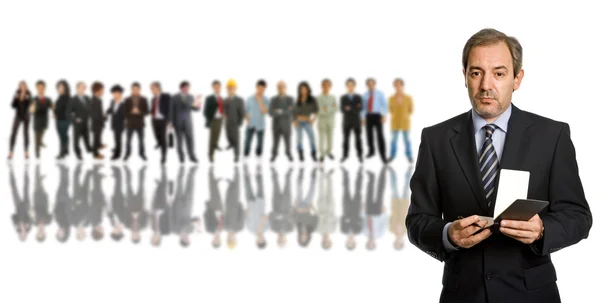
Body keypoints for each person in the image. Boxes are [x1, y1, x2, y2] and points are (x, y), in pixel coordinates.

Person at [406, 28, 592, 303]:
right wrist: (448, 235)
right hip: (463, 295)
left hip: (532, 295)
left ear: (517, 79)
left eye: (499, 73)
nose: (486, 85)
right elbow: (417, 221)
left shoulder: (552, 136)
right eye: (476, 72)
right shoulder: (435, 139)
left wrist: (542, 230)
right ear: (465, 76)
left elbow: (578, 217)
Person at [169, 81, 201, 164]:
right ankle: (181, 157)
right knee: (179, 141)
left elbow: (195, 109)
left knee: (190, 140)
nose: (187, 89)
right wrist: (170, 122)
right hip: (177, 122)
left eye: (188, 87)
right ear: (181, 88)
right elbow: (171, 110)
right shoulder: (174, 97)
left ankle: (192, 156)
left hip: (188, 122)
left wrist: (198, 105)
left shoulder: (191, 97)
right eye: (185, 87)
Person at [362, 78, 388, 164]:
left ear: (374, 84)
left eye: (372, 84)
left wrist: (384, 115)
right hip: (368, 116)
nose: (370, 85)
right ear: (367, 85)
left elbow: (384, 105)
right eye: (368, 84)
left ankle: (383, 155)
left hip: (377, 115)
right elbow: (363, 108)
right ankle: (371, 151)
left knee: (380, 135)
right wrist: (363, 118)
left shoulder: (380, 93)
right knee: (369, 134)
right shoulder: (365, 95)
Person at [388, 78, 414, 163]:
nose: (398, 86)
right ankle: (392, 155)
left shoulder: (408, 97)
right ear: (394, 86)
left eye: (399, 85)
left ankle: (409, 156)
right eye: (396, 85)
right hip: (395, 122)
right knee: (393, 140)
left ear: (402, 86)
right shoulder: (391, 98)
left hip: (405, 122)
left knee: (407, 140)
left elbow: (411, 109)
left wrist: (404, 116)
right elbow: (390, 109)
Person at [268, 80, 294, 162]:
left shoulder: (290, 99)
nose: (281, 88)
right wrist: (284, 111)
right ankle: (274, 154)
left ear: (285, 88)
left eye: (282, 86)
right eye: (279, 87)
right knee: (275, 141)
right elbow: (270, 112)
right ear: (277, 88)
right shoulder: (273, 99)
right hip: (276, 125)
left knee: (288, 141)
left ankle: (288, 153)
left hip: (286, 125)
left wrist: (278, 111)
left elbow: (291, 111)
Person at [244, 165, 269, 249]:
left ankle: (245, 169)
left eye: (259, 241)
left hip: (250, 203)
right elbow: (266, 216)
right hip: (261, 202)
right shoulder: (267, 228)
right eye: (262, 240)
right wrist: (261, 225)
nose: (260, 239)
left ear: (256, 241)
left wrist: (246, 212)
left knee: (247, 185)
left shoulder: (250, 229)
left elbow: (245, 218)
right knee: (260, 184)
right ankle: (258, 170)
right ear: (265, 239)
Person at [293, 81, 319, 162]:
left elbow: (316, 111)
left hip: (307, 122)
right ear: (299, 90)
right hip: (298, 122)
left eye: (305, 89)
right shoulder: (297, 99)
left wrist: (313, 120)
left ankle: (313, 153)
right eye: (301, 89)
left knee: (312, 138)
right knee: (299, 138)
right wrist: (293, 121)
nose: (303, 91)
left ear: (308, 89)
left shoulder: (312, 99)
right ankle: (300, 153)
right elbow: (294, 112)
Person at [123, 82, 149, 161]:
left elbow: (147, 112)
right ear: (131, 90)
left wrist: (139, 112)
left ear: (139, 90)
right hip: (130, 124)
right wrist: (131, 112)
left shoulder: (144, 99)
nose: (135, 91)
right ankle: (127, 154)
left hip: (140, 124)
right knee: (128, 140)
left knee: (141, 140)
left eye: (137, 89)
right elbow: (124, 112)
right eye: (133, 89)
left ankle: (142, 154)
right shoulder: (127, 99)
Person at [293, 168, 319, 247]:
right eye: (305, 238)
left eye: (301, 238)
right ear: (308, 238)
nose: (303, 236)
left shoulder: (297, 227)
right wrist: (312, 207)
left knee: (299, 188)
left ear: (299, 237)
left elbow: (293, 214)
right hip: (308, 206)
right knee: (312, 189)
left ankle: (301, 172)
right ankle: (313, 173)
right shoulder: (312, 229)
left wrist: (294, 205)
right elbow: (316, 217)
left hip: (298, 205)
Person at [244, 79, 270, 159]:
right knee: (247, 143)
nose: (261, 90)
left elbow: (265, 112)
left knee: (260, 145)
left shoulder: (266, 100)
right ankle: (246, 157)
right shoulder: (249, 98)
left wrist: (259, 101)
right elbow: (245, 111)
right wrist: (246, 117)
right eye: (259, 88)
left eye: (263, 89)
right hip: (250, 124)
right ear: (256, 87)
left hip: (260, 125)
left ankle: (258, 159)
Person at [269, 167, 294, 248]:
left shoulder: (273, 228)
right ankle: (288, 174)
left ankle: (274, 172)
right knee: (288, 185)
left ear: (277, 240)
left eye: (279, 241)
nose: (281, 239)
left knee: (275, 185)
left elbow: (270, 216)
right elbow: (292, 216)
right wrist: (280, 216)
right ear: (285, 240)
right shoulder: (290, 229)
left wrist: (280, 215)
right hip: (287, 204)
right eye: (282, 241)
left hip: (276, 203)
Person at [363, 168, 387, 251]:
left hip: (368, 211)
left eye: (369, 244)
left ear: (367, 243)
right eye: (372, 245)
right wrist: (384, 212)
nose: (370, 243)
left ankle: (371, 177)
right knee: (380, 192)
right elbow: (384, 222)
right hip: (378, 212)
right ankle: (382, 174)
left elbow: (364, 220)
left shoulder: (365, 232)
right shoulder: (380, 234)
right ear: (374, 244)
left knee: (369, 193)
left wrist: (363, 210)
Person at [340, 78, 363, 163]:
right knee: (346, 139)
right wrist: (354, 107)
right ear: (346, 86)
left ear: (354, 86)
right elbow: (342, 109)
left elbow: (360, 109)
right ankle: (345, 155)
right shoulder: (343, 97)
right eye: (348, 85)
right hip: (346, 121)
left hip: (357, 121)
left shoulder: (358, 97)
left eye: (352, 85)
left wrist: (349, 108)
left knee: (358, 139)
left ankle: (360, 155)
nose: (350, 87)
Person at [340, 167, 363, 251]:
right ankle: (360, 172)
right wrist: (350, 219)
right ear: (354, 242)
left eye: (348, 243)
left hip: (346, 207)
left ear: (346, 241)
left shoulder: (343, 230)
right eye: (351, 243)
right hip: (357, 207)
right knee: (358, 189)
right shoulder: (358, 230)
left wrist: (350, 219)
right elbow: (360, 219)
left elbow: (342, 218)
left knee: (345, 189)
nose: (350, 241)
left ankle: (345, 173)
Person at [388, 165, 410, 250]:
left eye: (396, 243)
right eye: (399, 243)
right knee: (406, 187)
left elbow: (390, 217)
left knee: (394, 187)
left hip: (395, 205)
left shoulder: (391, 229)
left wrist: (396, 224)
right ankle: (409, 170)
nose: (398, 241)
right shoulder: (407, 231)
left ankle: (392, 172)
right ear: (402, 242)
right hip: (404, 206)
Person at [223, 79, 245, 163]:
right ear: (227, 89)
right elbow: (224, 110)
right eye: (229, 88)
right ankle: (230, 144)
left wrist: (239, 123)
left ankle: (236, 155)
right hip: (227, 122)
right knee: (228, 135)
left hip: (235, 122)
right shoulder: (225, 100)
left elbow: (242, 113)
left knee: (236, 139)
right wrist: (224, 113)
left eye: (232, 88)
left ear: (235, 89)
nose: (231, 89)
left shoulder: (239, 100)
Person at [9, 81, 32, 160]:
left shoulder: (29, 94)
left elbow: (31, 105)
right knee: (14, 133)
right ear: (19, 87)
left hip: (26, 116)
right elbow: (12, 106)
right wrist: (16, 98)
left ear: (26, 87)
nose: (23, 87)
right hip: (18, 116)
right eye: (21, 86)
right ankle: (11, 152)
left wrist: (26, 99)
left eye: (24, 86)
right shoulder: (17, 93)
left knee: (26, 133)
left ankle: (26, 151)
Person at [30, 80, 53, 159]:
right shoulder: (33, 99)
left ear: (45, 88)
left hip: (45, 121)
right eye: (39, 88)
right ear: (36, 88)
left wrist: (54, 112)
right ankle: (37, 152)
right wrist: (32, 109)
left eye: (42, 88)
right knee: (37, 137)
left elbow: (52, 106)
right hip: (37, 121)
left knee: (43, 132)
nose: (40, 89)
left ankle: (40, 142)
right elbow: (31, 109)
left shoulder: (48, 99)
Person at [70, 82, 93, 160]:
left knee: (87, 138)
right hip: (77, 124)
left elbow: (90, 109)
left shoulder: (87, 98)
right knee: (76, 140)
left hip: (86, 122)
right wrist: (75, 119)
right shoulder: (73, 99)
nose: (83, 89)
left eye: (84, 87)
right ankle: (78, 153)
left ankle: (89, 149)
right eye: (81, 87)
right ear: (77, 88)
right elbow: (68, 112)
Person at [149, 82, 171, 164]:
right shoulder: (153, 99)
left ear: (158, 88)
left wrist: (170, 121)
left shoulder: (166, 96)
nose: (151, 90)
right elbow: (153, 109)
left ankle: (163, 156)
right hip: (154, 120)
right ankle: (159, 143)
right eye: (151, 89)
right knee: (156, 135)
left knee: (163, 138)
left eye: (152, 88)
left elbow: (169, 108)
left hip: (163, 120)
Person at [204, 80, 225, 163]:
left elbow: (222, 109)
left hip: (220, 119)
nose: (218, 88)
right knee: (212, 138)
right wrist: (211, 118)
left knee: (218, 135)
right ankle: (210, 155)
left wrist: (223, 114)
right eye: (216, 86)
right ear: (213, 87)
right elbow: (205, 111)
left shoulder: (221, 98)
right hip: (213, 120)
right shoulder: (209, 98)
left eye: (219, 86)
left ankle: (216, 145)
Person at [9, 164, 31, 241]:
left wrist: (18, 223)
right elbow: (30, 217)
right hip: (26, 206)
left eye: (21, 236)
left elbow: (12, 216)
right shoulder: (28, 228)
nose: (22, 234)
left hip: (17, 207)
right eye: (24, 236)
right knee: (26, 187)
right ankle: (26, 170)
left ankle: (11, 170)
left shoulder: (16, 228)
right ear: (26, 235)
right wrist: (25, 223)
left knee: (13, 188)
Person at [316, 79, 336, 162]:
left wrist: (325, 108)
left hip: (331, 120)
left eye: (328, 85)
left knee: (330, 137)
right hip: (322, 121)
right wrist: (330, 108)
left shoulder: (333, 97)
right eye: (324, 85)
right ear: (321, 86)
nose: (326, 87)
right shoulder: (318, 98)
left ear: (330, 86)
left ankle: (329, 152)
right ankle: (322, 154)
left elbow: (336, 109)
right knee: (321, 138)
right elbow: (318, 110)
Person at [316, 168, 336, 250]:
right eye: (328, 242)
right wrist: (328, 216)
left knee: (321, 191)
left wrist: (325, 217)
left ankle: (321, 174)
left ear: (322, 241)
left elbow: (318, 218)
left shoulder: (318, 230)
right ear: (330, 241)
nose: (326, 240)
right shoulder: (333, 230)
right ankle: (329, 176)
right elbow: (335, 219)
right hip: (331, 208)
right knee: (330, 191)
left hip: (321, 207)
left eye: (325, 242)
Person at [105, 85, 126, 160]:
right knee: (115, 138)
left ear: (120, 93)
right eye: (113, 93)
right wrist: (106, 112)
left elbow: (125, 115)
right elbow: (111, 109)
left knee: (118, 139)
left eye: (115, 93)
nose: (114, 95)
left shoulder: (124, 102)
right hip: (113, 123)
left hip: (120, 124)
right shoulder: (112, 101)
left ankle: (117, 154)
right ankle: (116, 148)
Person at [33, 165, 52, 242]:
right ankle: (40, 176)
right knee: (40, 184)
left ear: (36, 233)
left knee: (37, 182)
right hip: (44, 200)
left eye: (38, 234)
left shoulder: (34, 222)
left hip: (37, 198)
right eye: (42, 234)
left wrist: (33, 213)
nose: (40, 232)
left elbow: (33, 211)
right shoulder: (48, 222)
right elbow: (50, 211)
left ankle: (37, 166)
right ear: (45, 233)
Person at [54, 80, 72, 159]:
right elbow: (57, 108)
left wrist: (57, 111)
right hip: (58, 119)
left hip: (64, 120)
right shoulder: (59, 97)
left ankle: (62, 153)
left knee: (62, 136)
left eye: (61, 87)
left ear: (65, 87)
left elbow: (67, 110)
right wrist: (55, 112)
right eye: (58, 87)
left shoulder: (68, 97)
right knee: (64, 135)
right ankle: (66, 150)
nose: (59, 89)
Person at [89, 82, 106, 160]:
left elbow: (99, 112)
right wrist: (104, 118)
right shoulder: (94, 100)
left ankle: (99, 145)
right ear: (97, 90)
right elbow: (95, 115)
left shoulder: (98, 99)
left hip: (99, 123)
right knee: (95, 139)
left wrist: (103, 117)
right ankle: (95, 154)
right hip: (96, 124)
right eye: (102, 90)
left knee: (98, 137)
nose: (103, 92)